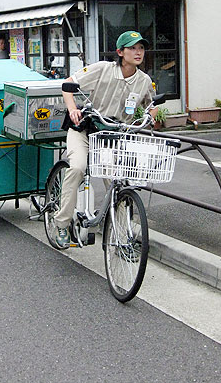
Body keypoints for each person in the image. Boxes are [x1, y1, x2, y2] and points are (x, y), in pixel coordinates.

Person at [55, 30, 157, 248]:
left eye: (141, 48)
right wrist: (72, 109)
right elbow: (67, 84)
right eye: (132, 48)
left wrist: (149, 117)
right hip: (85, 129)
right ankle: (62, 224)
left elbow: (152, 104)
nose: (138, 52)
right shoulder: (103, 69)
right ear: (120, 52)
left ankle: (121, 237)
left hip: (112, 136)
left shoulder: (144, 80)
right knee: (78, 168)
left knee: (118, 182)